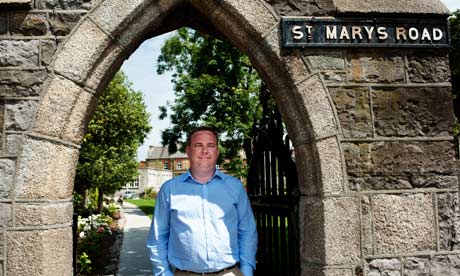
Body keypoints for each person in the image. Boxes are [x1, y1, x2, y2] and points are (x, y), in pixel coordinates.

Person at [147, 126, 258, 276]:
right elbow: (158, 236)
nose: (205, 150)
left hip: (229, 273)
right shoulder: (169, 190)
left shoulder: (235, 187)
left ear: (217, 152)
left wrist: (247, 270)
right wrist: (163, 273)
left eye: (211, 145)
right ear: (188, 150)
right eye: (198, 145)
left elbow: (247, 231)